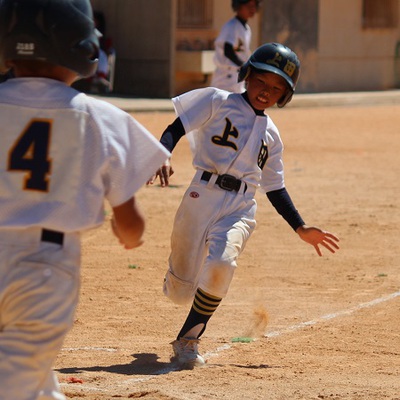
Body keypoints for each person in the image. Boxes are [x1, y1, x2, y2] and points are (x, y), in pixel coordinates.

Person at [0, 0, 170, 399]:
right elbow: (131, 224)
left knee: (28, 384)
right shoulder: (98, 115)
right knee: (18, 381)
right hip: (43, 270)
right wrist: (129, 235)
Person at [148, 42, 340, 369]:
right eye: (261, 82)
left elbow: (275, 187)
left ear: (285, 96)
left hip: (240, 206)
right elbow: (175, 128)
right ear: (247, 76)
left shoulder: (272, 136)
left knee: (223, 263)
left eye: (277, 88)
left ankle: (188, 340)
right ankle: (178, 280)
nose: (267, 91)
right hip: (200, 197)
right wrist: (162, 154)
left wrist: (300, 226)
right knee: (181, 293)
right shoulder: (217, 100)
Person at [210, 0, 261, 93]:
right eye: (248, 5)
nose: (252, 8)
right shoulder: (232, 25)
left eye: (254, 5)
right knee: (221, 104)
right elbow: (228, 51)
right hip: (226, 75)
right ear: (238, 6)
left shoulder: (246, 28)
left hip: (236, 75)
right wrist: (244, 66)